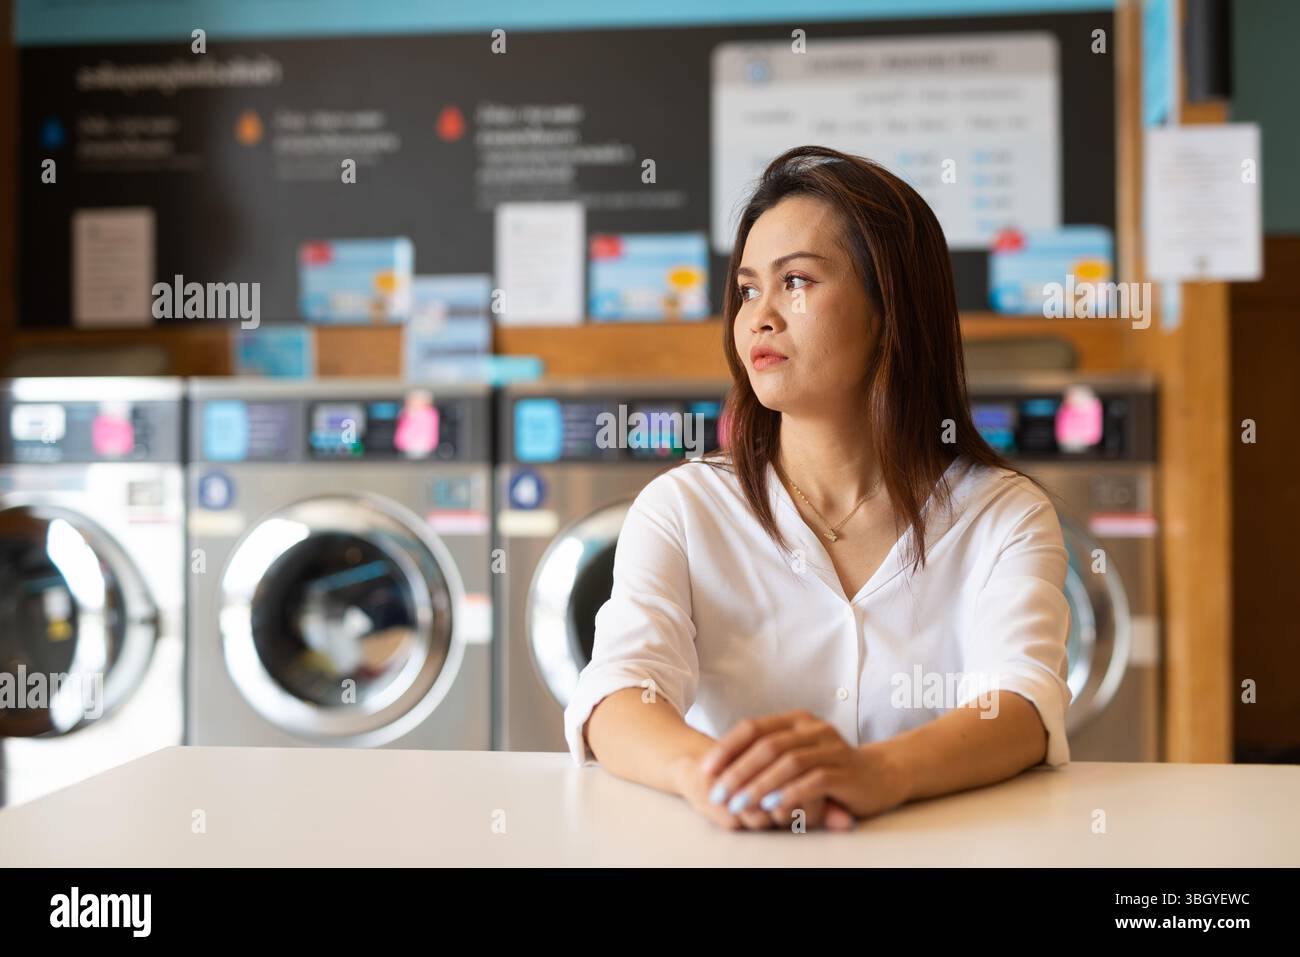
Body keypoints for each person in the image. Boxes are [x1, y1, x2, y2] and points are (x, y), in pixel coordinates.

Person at [564, 145, 1072, 831]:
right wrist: (708, 775)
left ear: (889, 306)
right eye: (747, 289)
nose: (760, 317)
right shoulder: (682, 508)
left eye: (795, 281)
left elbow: (1022, 705)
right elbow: (618, 691)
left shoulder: (1003, 516)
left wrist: (880, 773)